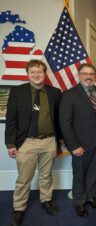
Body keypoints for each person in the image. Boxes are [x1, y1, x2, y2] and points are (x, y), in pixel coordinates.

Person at [5, 59, 61, 226]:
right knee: (24, 178)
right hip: (26, 143)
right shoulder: (17, 92)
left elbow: (58, 118)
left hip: (49, 141)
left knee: (46, 175)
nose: (37, 75)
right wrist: (10, 144)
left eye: (40, 72)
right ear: (28, 74)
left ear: (45, 74)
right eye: (33, 72)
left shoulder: (55, 92)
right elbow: (11, 120)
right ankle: (19, 208)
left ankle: (46, 200)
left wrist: (61, 139)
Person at [59, 63, 96, 217]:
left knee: (94, 172)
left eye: (91, 74)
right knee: (79, 174)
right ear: (79, 76)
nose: (88, 77)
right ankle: (79, 202)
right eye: (85, 73)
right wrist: (74, 145)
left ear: (95, 76)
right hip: (80, 145)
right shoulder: (69, 94)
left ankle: (90, 196)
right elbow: (65, 122)